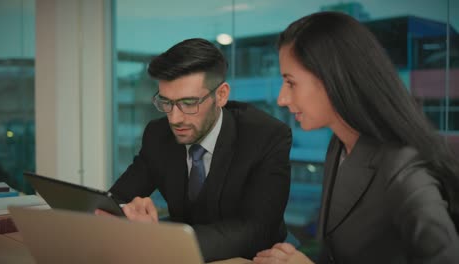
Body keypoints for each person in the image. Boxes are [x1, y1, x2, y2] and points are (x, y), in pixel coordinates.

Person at [253, 11, 459, 264]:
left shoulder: (404, 170)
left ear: (332, 79)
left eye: (291, 83)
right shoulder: (339, 146)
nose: (281, 99)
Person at [98, 38, 292, 262]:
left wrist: (160, 238)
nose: (175, 118)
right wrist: (127, 212)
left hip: (252, 258)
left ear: (221, 95)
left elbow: (256, 230)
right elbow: (118, 197)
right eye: (166, 102)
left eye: (189, 103)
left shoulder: (266, 136)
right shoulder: (158, 134)